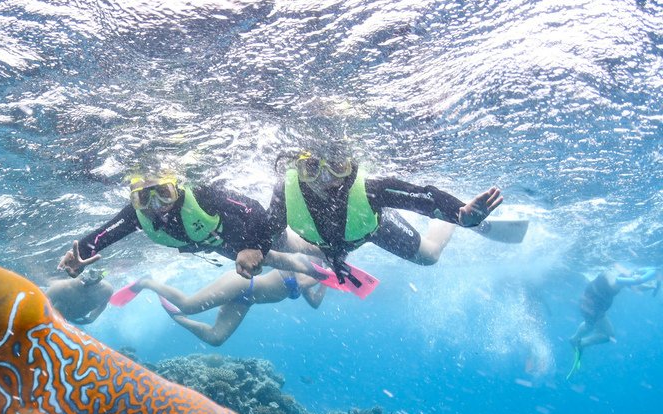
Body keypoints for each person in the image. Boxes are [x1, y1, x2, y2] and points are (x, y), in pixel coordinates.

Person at [259, 147, 508, 279]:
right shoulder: (285, 191)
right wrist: (252, 247)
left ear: (350, 164)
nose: (326, 179)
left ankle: (448, 224)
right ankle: (326, 255)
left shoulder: (370, 189)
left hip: (372, 228)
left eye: (336, 166)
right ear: (298, 168)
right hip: (326, 243)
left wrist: (458, 213)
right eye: (312, 168)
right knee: (278, 243)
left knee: (430, 256)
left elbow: (422, 196)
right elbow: (269, 228)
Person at [57, 175, 273, 280]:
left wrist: (254, 246)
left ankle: (305, 255)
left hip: (250, 236)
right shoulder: (136, 215)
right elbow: (104, 234)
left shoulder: (201, 193)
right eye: (144, 197)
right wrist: (81, 254)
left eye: (164, 192)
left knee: (285, 250)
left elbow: (254, 209)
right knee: (280, 262)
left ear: (176, 188)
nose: (157, 204)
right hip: (221, 248)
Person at [126, 267, 325, 346]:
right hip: (244, 283)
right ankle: (147, 282)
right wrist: (325, 275)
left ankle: (178, 318)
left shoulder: (317, 273)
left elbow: (315, 303)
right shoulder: (303, 260)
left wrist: (327, 282)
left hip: (246, 300)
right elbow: (300, 282)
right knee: (190, 305)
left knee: (216, 338)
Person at [568, 266, 659, 376]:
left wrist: (651, 286)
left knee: (598, 329)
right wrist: (636, 279)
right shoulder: (610, 274)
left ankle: (577, 340)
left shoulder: (621, 278)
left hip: (596, 308)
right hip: (591, 307)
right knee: (599, 331)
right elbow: (615, 281)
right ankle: (578, 342)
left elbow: (636, 286)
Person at [45, 267, 114, 325]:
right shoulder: (61, 286)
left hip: (75, 318)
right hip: (55, 319)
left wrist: (92, 318)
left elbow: (103, 304)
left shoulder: (107, 290)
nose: (89, 281)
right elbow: (42, 302)